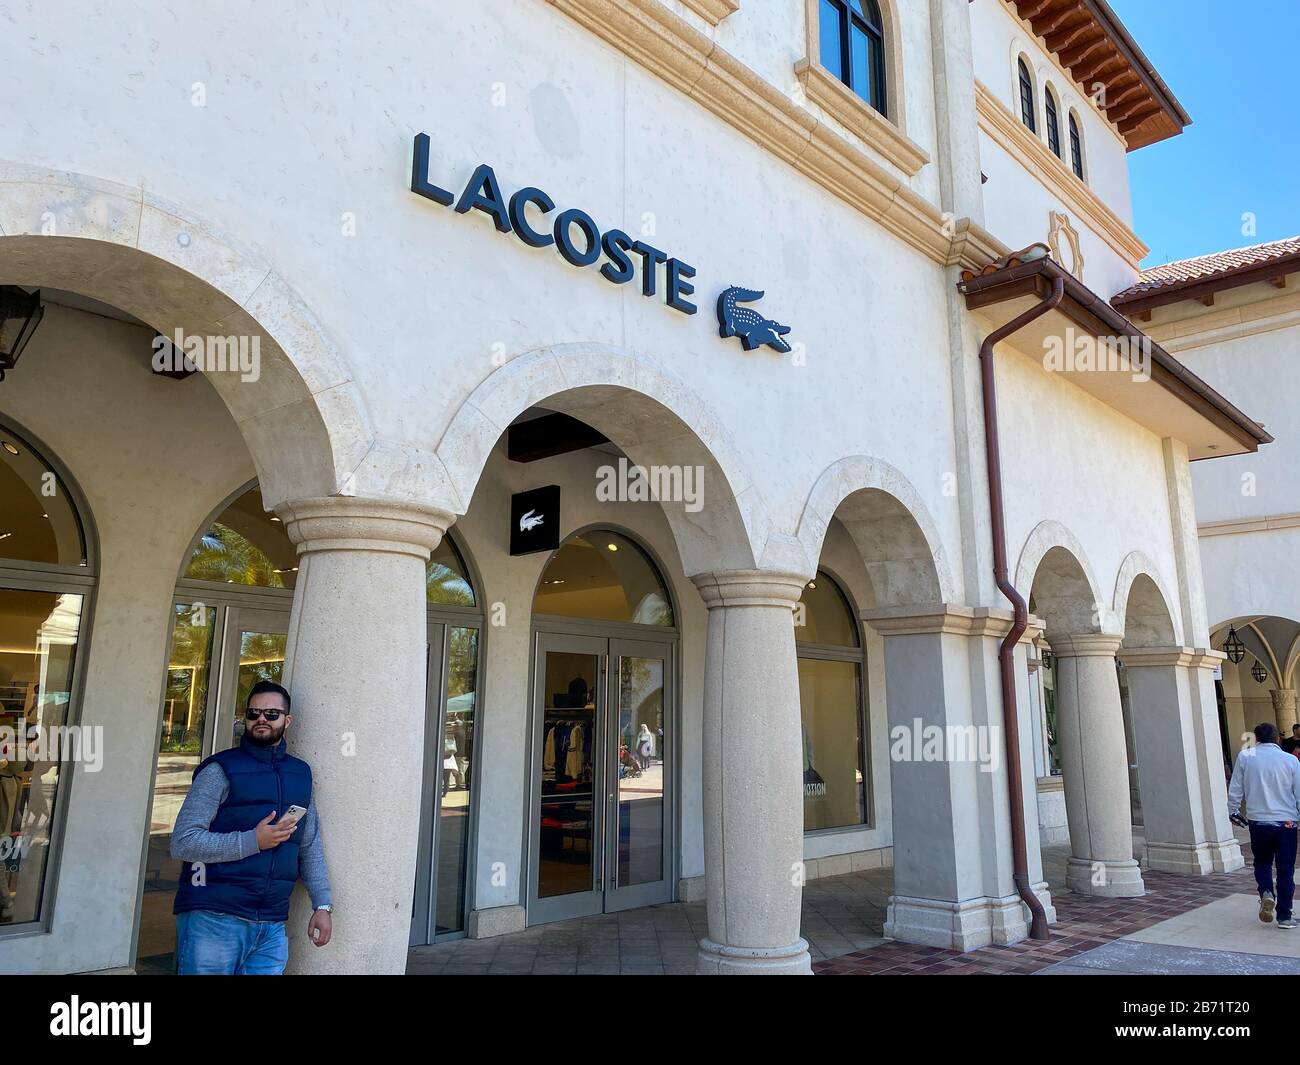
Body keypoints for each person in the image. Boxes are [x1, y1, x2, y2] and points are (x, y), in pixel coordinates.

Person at [170, 680, 332, 973]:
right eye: (253, 713)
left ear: (287, 720)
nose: (261, 720)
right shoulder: (219, 769)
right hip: (213, 916)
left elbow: (309, 844)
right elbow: (183, 841)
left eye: (271, 714)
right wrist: (253, 840)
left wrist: (322, 905)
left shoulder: (301, 774)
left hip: (271, 924)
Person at [1227, 722, 1300, 929]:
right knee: (1286, 869)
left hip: (1258, 821)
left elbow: (1236, 787)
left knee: (1262, 862)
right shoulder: (1290, 760)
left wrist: (1233, 810)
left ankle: (1266, 891)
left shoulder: (1246, 757)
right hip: (1286, 822)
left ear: (1256, 739)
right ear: (1277, 738)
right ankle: (1285, 916)